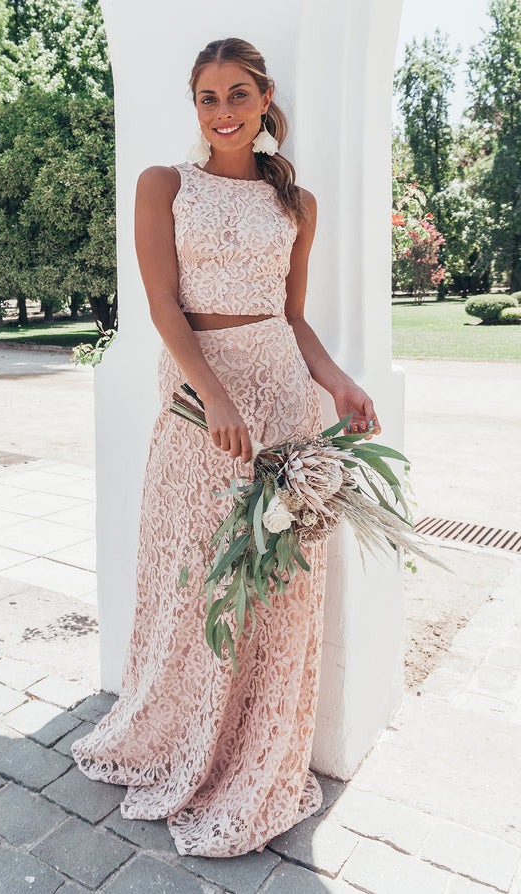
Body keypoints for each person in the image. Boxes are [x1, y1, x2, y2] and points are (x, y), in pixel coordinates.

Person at [71, 36, 381, 858]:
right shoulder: (163, 186)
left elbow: (294, 318)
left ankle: (257, 751)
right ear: (195, 107)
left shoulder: (297, 203)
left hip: (282, 397)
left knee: (277, 582)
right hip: (200, 398)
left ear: (264, 96)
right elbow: (165, 309)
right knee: (195, 572)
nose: (223, 112)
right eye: (207, 99)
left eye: (237, 95)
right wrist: (212, 395)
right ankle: (180, 732)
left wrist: (341, 386)